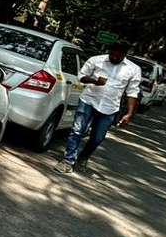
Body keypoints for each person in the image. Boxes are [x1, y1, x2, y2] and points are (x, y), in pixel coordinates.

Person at [55, 40, 142, 174]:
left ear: (125, 55)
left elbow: (132, 92)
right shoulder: (96, 60)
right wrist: (94, 81)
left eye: (119, 56)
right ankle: (68, 161)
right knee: (77, 130)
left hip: (110, 107)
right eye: (113, 54)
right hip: (88, 100)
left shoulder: (133, 69)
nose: (115, 58)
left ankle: (83, 158)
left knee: (97, 138)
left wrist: (129, 114)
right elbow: (81, 77)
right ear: (109, 51)